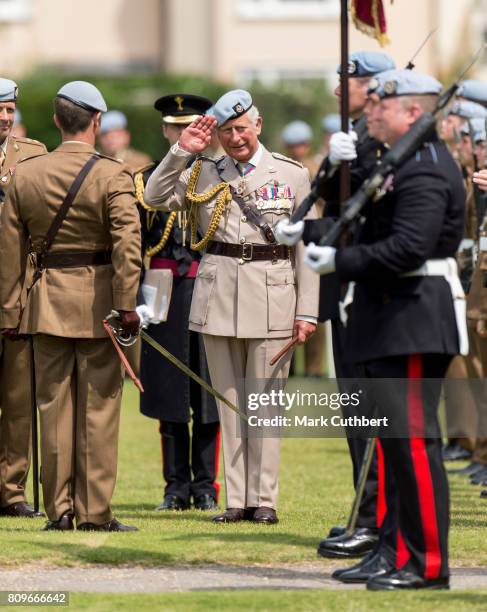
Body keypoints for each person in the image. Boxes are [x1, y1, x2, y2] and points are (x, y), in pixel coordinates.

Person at [305, 69, 466, 590]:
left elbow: (407, 248)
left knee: (415, 447)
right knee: (397, 448)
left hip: (415, 314)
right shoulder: (401, 162)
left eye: (382, 106)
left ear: (412, 113)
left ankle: (428, 564)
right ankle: (397, 552)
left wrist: (339, 261)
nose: (371, 111)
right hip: (391, 314)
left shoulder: (426, 168)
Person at [144, 89, 319, 524]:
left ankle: (265, 499)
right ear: (217, 134)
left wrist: (308, 311)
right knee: (229, 401)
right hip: (219, 293)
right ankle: (236, 500)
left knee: (265, 403)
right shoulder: (202, 170)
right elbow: (153, 196)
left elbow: (308, 248)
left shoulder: (291, 174)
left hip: (274, 292)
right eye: (227, 131)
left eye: (242, 128)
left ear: (257, 126)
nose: (236, 137)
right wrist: (181, 151)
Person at [0, 81, 142, 531]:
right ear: (97, 122)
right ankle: (95, 513)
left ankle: (58, 510)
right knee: (99, 411)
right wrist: (127, 306)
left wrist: (9, 312)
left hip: (43, 304)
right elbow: (127, 246)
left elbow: (9, 253)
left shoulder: (26, 173)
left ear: (57, 121)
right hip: (100, 304)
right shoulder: (113, 173)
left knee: (52, 410)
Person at [276, 51, 395, 559]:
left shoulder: (387, 142)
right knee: (356, 413)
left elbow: (376, 217)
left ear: (372, 86)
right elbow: (337, 206)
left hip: (373, 291)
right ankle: (366, 515)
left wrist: (362, 159)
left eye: (345, 81)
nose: (335, 90)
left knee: (376, 416)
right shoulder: (355, 138)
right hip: (345, 288)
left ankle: (381, 522)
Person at [134, 93, 221, 512]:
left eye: (190, 125)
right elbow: (135, 243)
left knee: (208, 391)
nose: (182, 132)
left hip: (208, 287)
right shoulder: (146, 178)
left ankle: (206, 485)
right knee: (169, 392)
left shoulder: (218, 176)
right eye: (175, 126)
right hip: (162, 291)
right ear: (167, 131)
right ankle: (175, 486)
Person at [0, 78, 47, 518]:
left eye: (10, 108)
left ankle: (11, 492)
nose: (5, 117)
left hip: (18, 294)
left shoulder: (33, 155)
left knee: (18, 403)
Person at [281, 120, 326, 378]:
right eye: (293, 145)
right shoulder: (283, 168)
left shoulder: (315, 169)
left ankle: (314, 368)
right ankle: (295, 367)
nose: (297, 149)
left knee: (312, 306)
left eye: (301, 145)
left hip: (312, 239)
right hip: (288, 239)